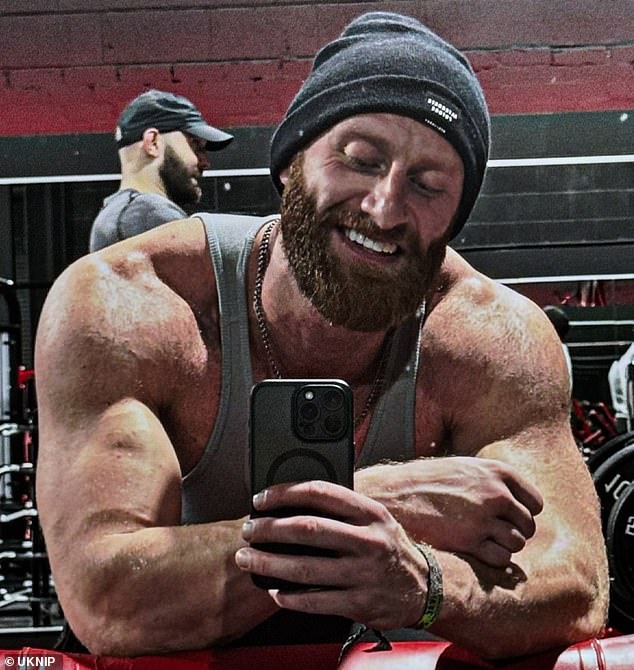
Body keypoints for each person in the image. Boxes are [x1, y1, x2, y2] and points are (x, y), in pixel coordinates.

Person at [35, 11, 608, 660]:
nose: (385, 207)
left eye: (429, 185)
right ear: (290, 164)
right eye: (360, 158)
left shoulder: (489, 336)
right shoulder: (131, 304)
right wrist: (383, 500)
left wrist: (425, 586)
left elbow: (576, 586)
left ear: (454, 219)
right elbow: (108, 598)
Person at [88, 89, 233, 252]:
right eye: (195, 145)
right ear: (153, 143)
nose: (205, 162)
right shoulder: (149, 214)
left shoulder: (114, 213)